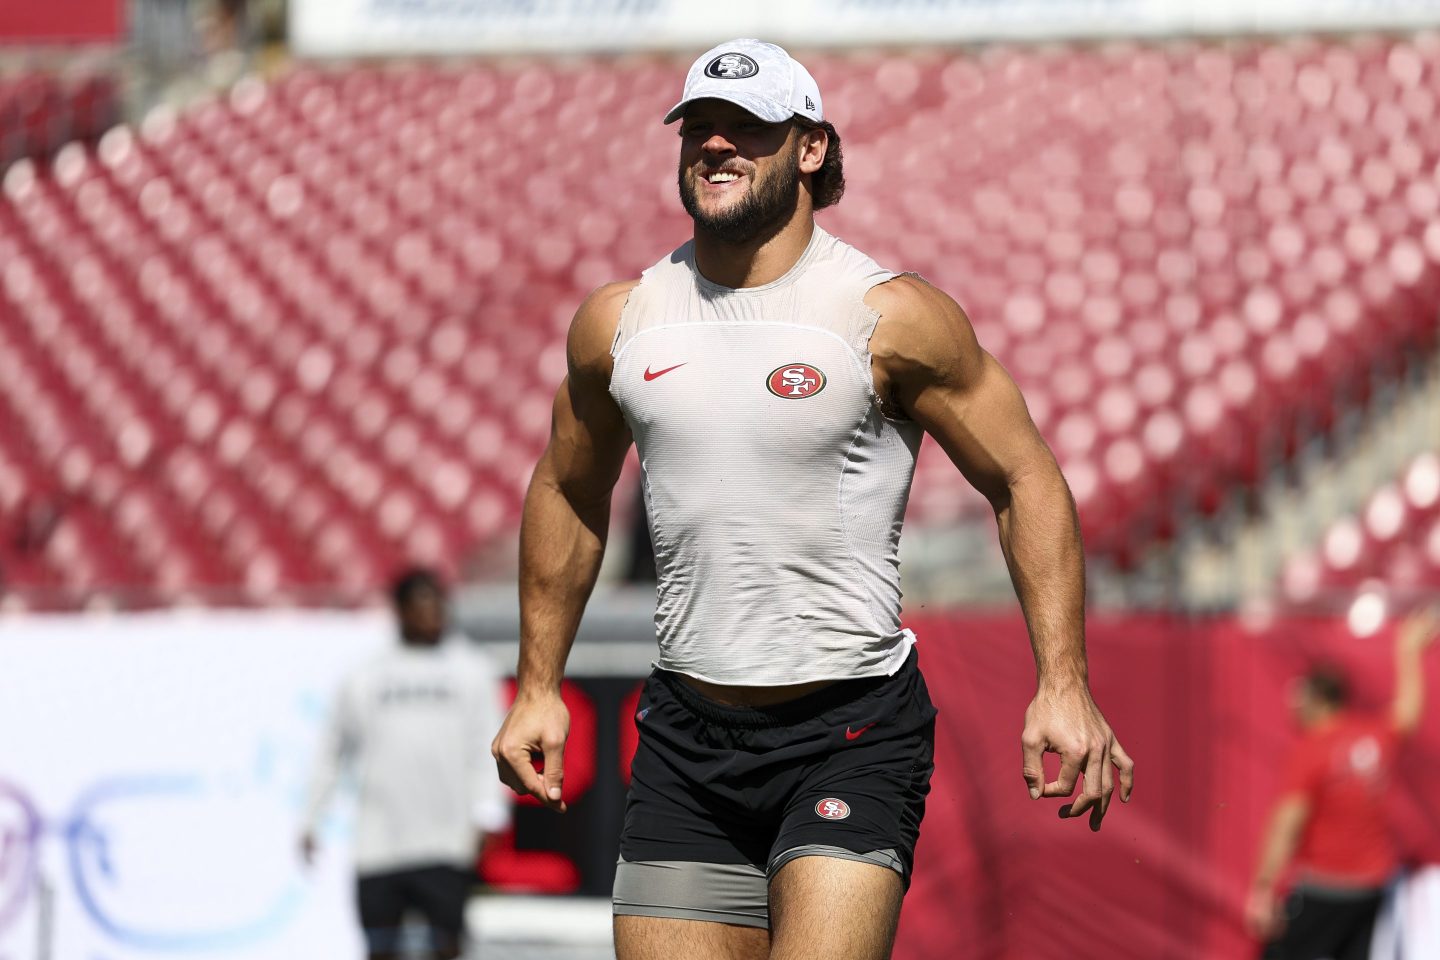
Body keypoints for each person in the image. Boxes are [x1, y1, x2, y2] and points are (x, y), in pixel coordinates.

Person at [491, 38, 1134, 960]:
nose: (717, 145)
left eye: (747, 127)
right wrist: (538, 686)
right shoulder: (619, 322)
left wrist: (1063, 684)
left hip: (850, 731)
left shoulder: (889, 315)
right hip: (685, 740)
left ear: (811, 148)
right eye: (699, 128)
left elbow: (1024, 477)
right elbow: (567, 485)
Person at [302, 568, 511, 960]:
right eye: (421, 605)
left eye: (438, 605)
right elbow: (333, 750)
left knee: (446, 946)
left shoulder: (473, 670)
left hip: (446, 842)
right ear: (400, 610)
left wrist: (490, 812)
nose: (432, 615)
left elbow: (490, 745)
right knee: (381, 948)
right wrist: (312, 818)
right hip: (379, 843)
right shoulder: (365, 675)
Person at [1246, 609, 1439, 960]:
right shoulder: (1372, 738)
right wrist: (1408, 653)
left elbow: (1286, 824)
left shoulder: (1311, 750)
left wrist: (1263, 888)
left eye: (1298, 696)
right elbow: (1407, 713)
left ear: (1316, 699)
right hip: (1371, 888)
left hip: (1326, 887)